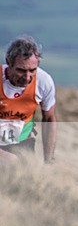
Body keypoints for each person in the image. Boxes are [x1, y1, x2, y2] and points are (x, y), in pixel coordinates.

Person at [0, 35, 57, 164]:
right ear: (8, 62)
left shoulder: (44, 82)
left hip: (23, 144)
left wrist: (49, 161)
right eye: (21, 70)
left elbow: (49, 118)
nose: (27, 77)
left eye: (32, 70)